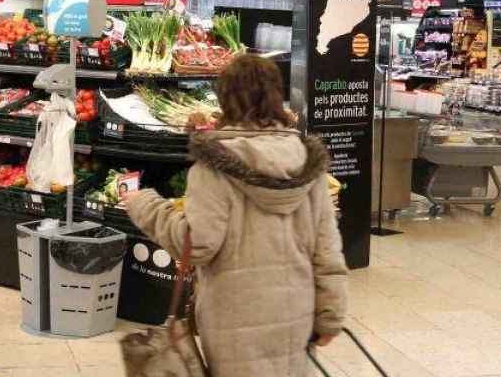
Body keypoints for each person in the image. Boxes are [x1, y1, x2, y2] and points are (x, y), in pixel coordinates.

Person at [123, 54, 348, 377]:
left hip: (234, 317)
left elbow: (197, 244)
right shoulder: (308, 164)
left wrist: (145, 205)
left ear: (225, 98)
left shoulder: (215, 166)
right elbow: (327, 250)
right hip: (295, 312)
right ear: (275, 96)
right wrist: (330, 315)